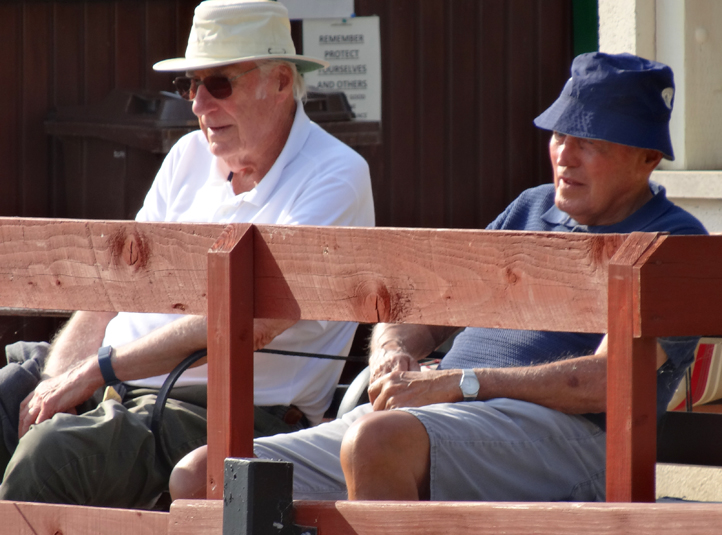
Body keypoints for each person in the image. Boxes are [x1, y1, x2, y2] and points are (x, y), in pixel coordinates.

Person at [244, 52, 706, 502]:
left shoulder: (674, 240)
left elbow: (606, 381)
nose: (565, 156)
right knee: (220, 473)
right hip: (439, 417)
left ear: (648, 157)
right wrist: (392, 352)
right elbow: (421, 304)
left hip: (574, 436)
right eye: (559, 134)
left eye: (589, 141)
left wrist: (462, 383)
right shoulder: (530, 207)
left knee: (377, 441)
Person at [0, 0, 374, 508]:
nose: (198, 104)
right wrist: (57, 380)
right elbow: (117, 283)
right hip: (119, 384)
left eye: (218, 83)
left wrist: (95, 372)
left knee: (54, 457)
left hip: (225, 409)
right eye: (189, 85)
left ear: (281, 82)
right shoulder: (186, 156)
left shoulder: (335, 174)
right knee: (11, 401)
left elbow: (253, 321)